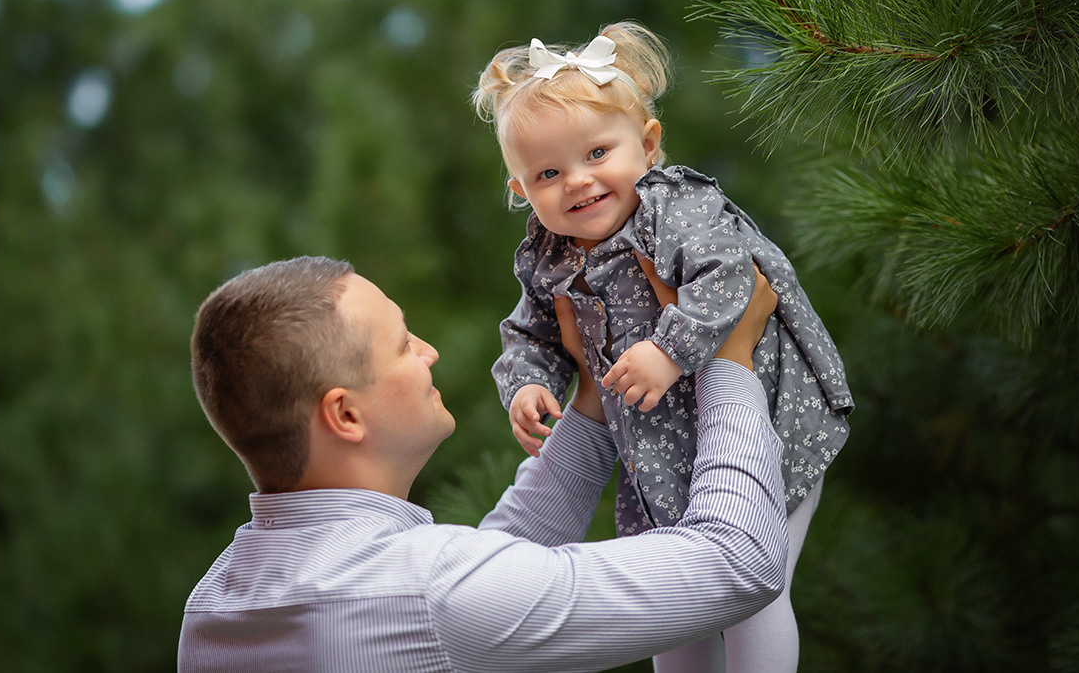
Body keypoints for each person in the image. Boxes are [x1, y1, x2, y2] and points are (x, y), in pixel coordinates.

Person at [178, 254, 787, 672]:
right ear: (345, 416)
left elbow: (474, 601)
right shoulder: (430, 590)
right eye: (403, 344)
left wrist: (591, 405)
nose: (430, 352)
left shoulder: (215, 604)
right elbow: (739, 562)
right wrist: (727, 361)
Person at [472, 21, 854, 672]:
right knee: (672, 613)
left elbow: (732, 273)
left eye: (597, 154)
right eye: (547, 172)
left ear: (647, 145)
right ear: (522, 193)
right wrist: (529, 382)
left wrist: (670, 349)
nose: (577, 181)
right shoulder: (548, 254)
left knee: (754, 589)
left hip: (766, 426)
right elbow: (529, 330)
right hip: (655, 452)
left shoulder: (674, 206)